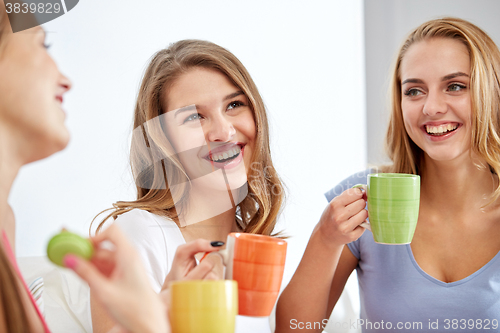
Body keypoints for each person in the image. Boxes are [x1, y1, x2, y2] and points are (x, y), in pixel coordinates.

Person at [0, 3, 221, 332]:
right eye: (41, 43)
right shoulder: (143, 232)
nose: (66, 80)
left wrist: (148, 318)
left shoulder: (5, 221)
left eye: (234, 104)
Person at [276, 17, 500, 333]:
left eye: (455, 86)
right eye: (414, 91)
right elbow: (293, 329)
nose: (431, 107)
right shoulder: (365, 199)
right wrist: (325, 239)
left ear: (491, 91)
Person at [90, 39, 285, 333]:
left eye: (234, 105)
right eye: (194, 116)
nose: (223, 131)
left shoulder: (258, 246)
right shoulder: (135, 237)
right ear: (163, 141)